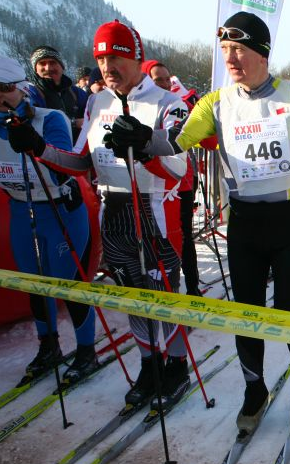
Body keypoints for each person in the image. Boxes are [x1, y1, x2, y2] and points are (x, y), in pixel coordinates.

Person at [109, 12, 290, 431]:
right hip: (243, 222)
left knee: (289, 310)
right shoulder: (216, 102)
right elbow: (176, 140)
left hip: (289, 221)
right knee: (246, 312)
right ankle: (255, 389)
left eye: (238, 49)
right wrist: (140, 138)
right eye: (224, 50)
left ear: (261, 52)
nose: (230, 58)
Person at [10, 21, 192, 409]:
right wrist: (39, 148)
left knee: (163, 295)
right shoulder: (97, 102)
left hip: (156, 211)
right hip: (114, 211)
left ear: (136, 58)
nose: (108, 65)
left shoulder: (166, 103)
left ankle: (176, 364)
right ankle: (149, 365)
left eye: (116, 57)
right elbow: (80, 161)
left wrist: (145, 147)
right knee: (131, 297)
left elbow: (182, 171)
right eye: (101, 57)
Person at [0, 56, 98, 384]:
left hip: (60, 210)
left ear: (20, 89)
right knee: (33, 282)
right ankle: (49, 346)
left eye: (6, 91)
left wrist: (35, 145)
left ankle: (86, 351)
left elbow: (65, 168)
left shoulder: (49, 118)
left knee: (69, 285)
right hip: (21, 210)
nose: (1, 99)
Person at [142, 58, 201, 296]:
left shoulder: (175, 103)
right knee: (154, 239)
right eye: (159, 80)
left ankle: (192, 289)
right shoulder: (140, 106)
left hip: (180, 183)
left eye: (168, 79)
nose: (166, 84)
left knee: (183, 239)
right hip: (149, 185)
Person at [28, 45, 88, 140]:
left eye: (52, 62)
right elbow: (33, 125)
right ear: (36, 69)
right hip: (48, 150)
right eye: (42, 63)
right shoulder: (32, 94)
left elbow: (91, 117)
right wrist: (73, 123)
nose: (48, 68)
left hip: (79, 150)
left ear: (62, 66)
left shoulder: (77, 93)